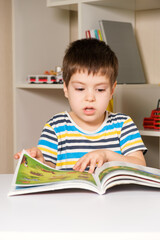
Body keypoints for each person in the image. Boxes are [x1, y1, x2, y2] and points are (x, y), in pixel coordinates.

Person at [14, 38, 147, 173]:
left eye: (100, 90)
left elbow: (141, 167)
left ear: (112, 90)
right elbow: (48, 169)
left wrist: (108, 156)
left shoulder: (123, 124)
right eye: (80, 89)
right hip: (70, 194)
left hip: (115, 194)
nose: (90, 98)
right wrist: (40, 161)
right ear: (66, 88)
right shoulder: (56, 127)